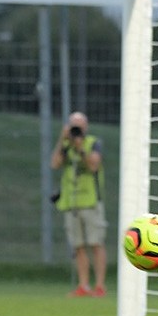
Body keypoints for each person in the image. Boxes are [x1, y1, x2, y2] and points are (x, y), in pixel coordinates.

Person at [50, 111, 107, 297]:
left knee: (96, 243)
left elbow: (93, 166)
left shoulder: (93, 143)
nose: (77, 129)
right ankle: (83, 285)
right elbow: (55, 164)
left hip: (90, 202)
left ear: (86, 127)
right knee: (78, 246)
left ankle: (99, 286)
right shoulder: (66, 145)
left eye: (79, 125)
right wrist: (62, 139)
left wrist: (80, 147)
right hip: (71, 203)